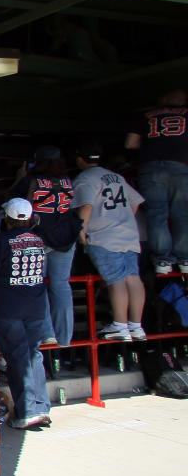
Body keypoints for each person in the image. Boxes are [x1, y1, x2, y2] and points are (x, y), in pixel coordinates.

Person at [72, 143, 146, 341]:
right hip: (128, 234)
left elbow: (86, 207)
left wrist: (81, 233)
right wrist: (123, 220)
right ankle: (136, 326)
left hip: (104, 237)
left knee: (116, 280)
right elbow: (136, 201)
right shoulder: (116, 176)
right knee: (133, 278)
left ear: (79, 159)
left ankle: (120, 326)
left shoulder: (85, 179)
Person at [10, 146, 81, 347]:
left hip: (38, 237)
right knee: (61, 285)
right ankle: (65, 338)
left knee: (37, 284)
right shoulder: (68, 182)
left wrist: (20, 177)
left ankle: (47, 334)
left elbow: (13, 202)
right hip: (65, 239)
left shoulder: (30, 181)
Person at [0, 198, 51, 429]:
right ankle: (41, 406)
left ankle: (27, 411)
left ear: (7, 218)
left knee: (18, 358)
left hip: (10, 308)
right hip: (36, 308)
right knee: (34, 355)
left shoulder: (2, 241)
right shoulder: (38, 241)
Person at [124, 89, 188, 274]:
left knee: (157, 214)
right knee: (182, 214)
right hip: (182, 166)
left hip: (151, 167)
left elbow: (130, 143)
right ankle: (185, 259)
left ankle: (162, 261)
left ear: (165, 99)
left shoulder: (146, 115)